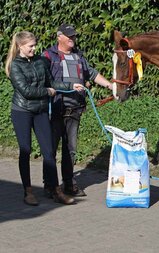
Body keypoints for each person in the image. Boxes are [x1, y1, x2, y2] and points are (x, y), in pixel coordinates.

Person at [4, 31, 84, 205]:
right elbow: (26, 91)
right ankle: (28, 191)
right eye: (30, 46)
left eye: (34, 45)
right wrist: (47, 92)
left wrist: (71, 85)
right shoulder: (14, 66)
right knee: (25, 150)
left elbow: (51, 83)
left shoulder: (40, 61)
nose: (34, 48)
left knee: (48, 152)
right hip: (22, 111)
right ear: (20, 47)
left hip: (40, 111)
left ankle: (56, 191)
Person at [43, 24, 113, 197]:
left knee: (71, 149)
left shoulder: (78, 56)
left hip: (74, 109)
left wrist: (110, 85)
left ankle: (68, 183)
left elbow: (93, 74)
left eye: (74, 36)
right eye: (69, 36)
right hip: (55, 108)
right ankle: (50, 186)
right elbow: (45, 80)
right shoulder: (48, 56)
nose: (73, 39)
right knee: (50, 149)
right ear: (59, 37)